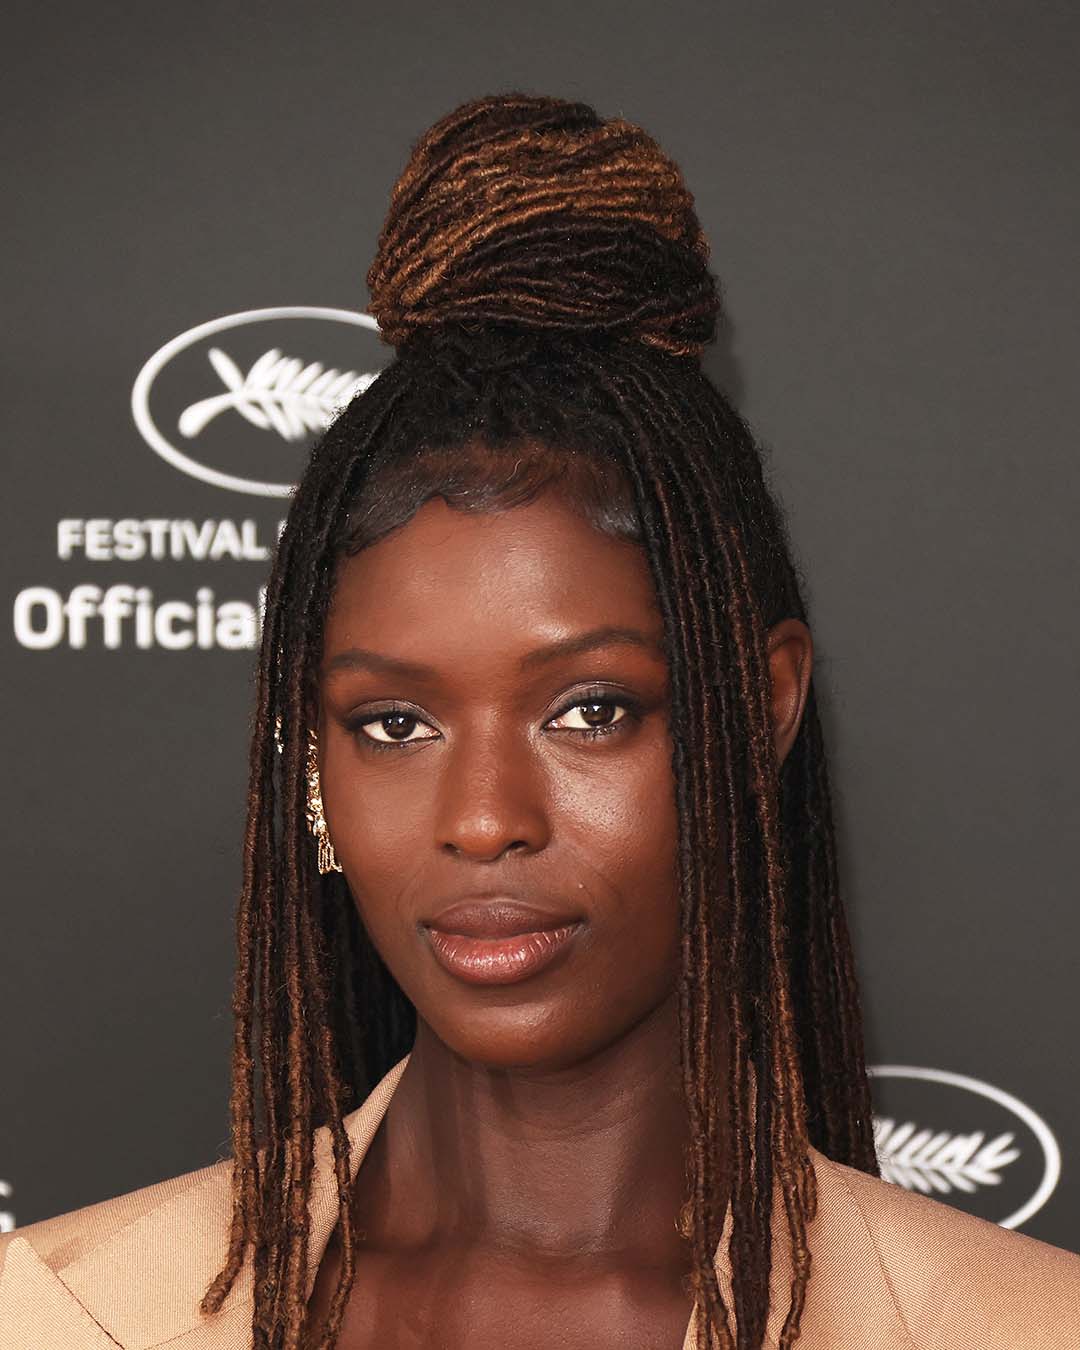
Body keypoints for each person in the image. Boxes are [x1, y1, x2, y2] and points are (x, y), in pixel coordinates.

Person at [1, 93, 1077, 1350]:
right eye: (394, 723)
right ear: (311, 753)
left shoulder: (1022, 1328)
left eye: (591, 709)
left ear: (761, 706)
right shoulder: (56, 1314)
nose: (482, 822)